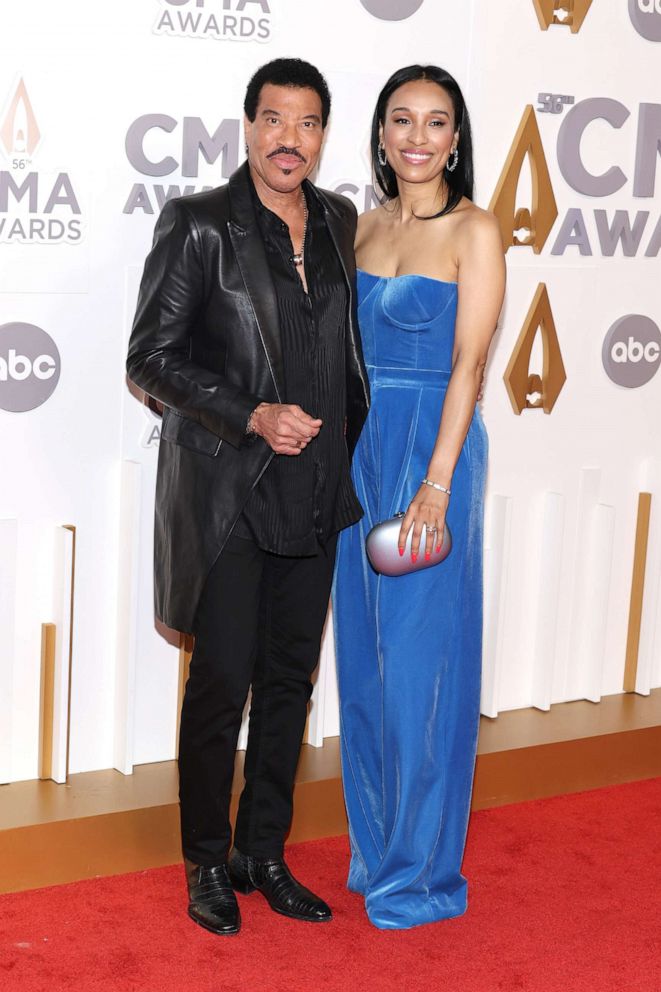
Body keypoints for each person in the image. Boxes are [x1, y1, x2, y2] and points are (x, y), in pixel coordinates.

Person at [126, 57, 369, 937]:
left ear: (321, 136)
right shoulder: (198, 225)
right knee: (220, 685)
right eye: (273, 120)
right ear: (247, 126)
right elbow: (148, 358)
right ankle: (204, 863)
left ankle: (264, 853)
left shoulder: (340, 222)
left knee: (289, 685)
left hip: (315, 493)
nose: (288, 139)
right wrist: (251, 414)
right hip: (232, 490)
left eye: (306, 124)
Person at [333, 64, 505, 930]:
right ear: (380, 135)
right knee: (362, 667)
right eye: (401, 120)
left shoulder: (474, 230)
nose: (416, 136)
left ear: (456, 139)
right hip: (360, 458)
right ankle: (377, 853)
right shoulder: (360, 229)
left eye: (435, 123)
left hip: (433, 453)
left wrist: (436, 483)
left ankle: (423, 876)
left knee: (420, 676)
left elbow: (470, 366)